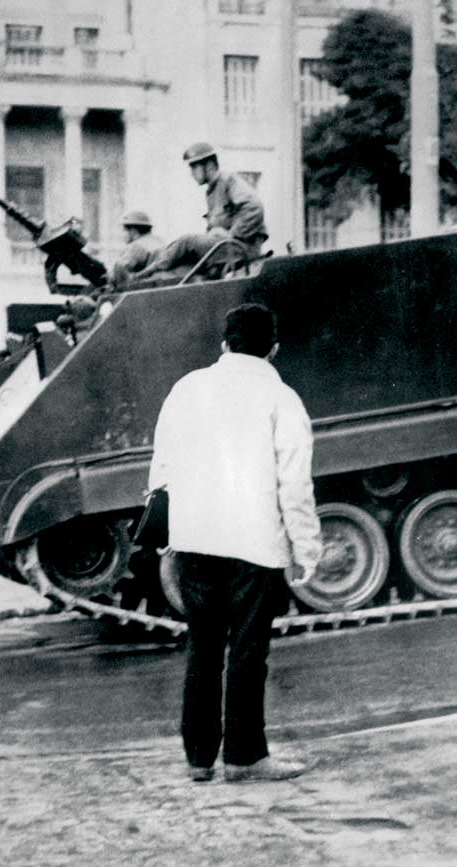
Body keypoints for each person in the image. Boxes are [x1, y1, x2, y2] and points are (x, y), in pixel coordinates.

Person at [149, 303, 322, 783]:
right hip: (254, 544)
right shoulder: (281, 398)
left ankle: (198, 758)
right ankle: (245, 758)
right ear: (274, 349)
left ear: (223, 345)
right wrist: (306, 549)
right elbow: (295, 485)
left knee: (202, 647)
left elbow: (160, 469)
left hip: (195, 539)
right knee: (248, 651)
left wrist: (166, 539)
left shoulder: (186, 389)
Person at [133, 142, 268, 281]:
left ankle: (145, 272)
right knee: (177, 271)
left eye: (194, 167)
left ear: (209, 166)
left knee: (187, 241)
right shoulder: (211, 191)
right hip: (224, 251)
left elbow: (253, 207)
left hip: (241, 249)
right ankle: (141, 281)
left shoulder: (228, 181)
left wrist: (231, 236)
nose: (191, 173)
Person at [108, 209, 165, 289]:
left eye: (123, 231)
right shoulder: (159, 241)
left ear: (133, 231)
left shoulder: (136, 246)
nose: (121, 235)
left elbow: (117, 275)